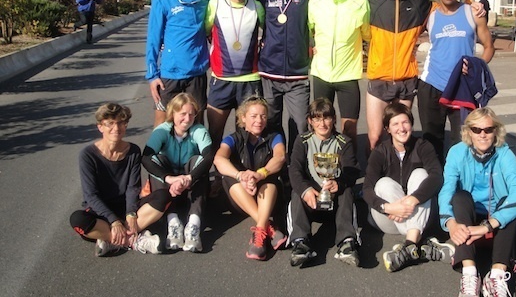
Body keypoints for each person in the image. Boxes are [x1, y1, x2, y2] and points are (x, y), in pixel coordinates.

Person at [439, 107, 516, 297]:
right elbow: (446, 190)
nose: (482, 135)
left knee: (510, 203)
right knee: (459, 197)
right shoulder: (457, 152)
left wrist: (489, 225)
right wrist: (450, 223)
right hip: (466, 222)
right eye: (476, 129)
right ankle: (470, 273)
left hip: (495, 224)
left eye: (488, 129)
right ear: (468, 131)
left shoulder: (505, 153)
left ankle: (496, 278)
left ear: (496, 131)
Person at [362, 102, 454, 272]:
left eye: (405, 122)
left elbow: (436, 176)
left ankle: (410, 246)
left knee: (421, 174)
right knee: (383, 183)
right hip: (389, 218)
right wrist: (388, 207)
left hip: (417, 212)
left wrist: (413, 199)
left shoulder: (423, 146)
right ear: (388, 129)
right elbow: (367, 188)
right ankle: (422, 244)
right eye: (395, 124)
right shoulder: (380, 152)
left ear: (411, 124)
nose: (401, 128)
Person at [70, 103, 170, 256]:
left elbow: (133, 187)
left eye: (121, 123)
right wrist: (113, 221)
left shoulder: (133, 151)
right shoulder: (88, 155)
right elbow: (91, 195)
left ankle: (109, 239)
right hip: (101, 213)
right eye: (110, 123)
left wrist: (130, 213)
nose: (116, 128)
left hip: (126, 208)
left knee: (164, 196)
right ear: (100, 127)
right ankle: (132, 241)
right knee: (77, 219)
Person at [417, 0, 495, 165]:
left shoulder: (473, 13)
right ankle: (434, 184)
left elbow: (489, 47)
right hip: (431, 84)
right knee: (431, 140)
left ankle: (457, 185)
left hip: (462, 88)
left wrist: (477, 67)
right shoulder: (430, 16)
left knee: (461, 142)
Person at [146, 0, 225, 128]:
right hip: (169, 74)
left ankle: (196, 157)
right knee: (163, 127)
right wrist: (152, 76)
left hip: (196, 74)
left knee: (196, 126)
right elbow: (153, 40)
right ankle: (158, 157)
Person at [365, 0, 431, 152]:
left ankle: (399, 174)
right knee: (376, 136)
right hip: (379, 80)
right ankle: (375, 176)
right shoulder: (372, 3)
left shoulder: (420, 2)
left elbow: (447, 9)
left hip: (406, 80)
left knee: (401, 137)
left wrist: (473, 6)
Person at [251, 0, 316, 153]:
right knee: (271, 123)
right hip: (269, 73)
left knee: (300, 125)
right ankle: (276, 167)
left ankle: (294, 166)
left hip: (298, 74)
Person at [307, 0, 370, 152]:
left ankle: (348, 168)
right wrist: (312, 47)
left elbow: (367, 34)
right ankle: (322, 166)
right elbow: (310, 32)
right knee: (321, 125)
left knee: (349, 128)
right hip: (322, 74)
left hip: (348, 75)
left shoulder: (359, 2)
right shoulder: (315, 2)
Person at [287, 98, 360, 267]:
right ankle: (300, 242)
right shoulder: (302, 140)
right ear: (310, 121)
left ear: (334, 119)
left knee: (347, 191)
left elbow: (352, 170)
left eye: (326, 118)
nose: (322, 123)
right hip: (312, 200)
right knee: (297, 192)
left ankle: (347, 242)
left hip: (334, 202)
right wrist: (305, 190)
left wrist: (339, 184)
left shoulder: (344, 142)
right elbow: (294, 170)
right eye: (317, 119)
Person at [213, 96, 288, 260]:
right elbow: (219, 159)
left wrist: (260, 174)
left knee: (270, 178)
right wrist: (240, 176)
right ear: (243, 118)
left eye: (262, 116)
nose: (259, 121)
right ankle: (268, 226)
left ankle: (260, 232)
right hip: (241, 196)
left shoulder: (274, 136)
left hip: (268, 195)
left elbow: (280, 157)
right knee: (227, 176)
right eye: (253, 116)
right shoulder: (233, 138)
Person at [142, 93, 214, 253]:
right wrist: (169, 178)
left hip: (191, 185)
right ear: (172, 113)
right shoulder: (162, 130)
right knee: (157, 158)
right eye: (182, 114)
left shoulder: (198, 130)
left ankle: (193, 226)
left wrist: (190, 177)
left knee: (198, 160)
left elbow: (209, 156)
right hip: (168, 186)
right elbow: (145, 158)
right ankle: (173, 222)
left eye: (191, 114)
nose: (187, 119)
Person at [204, 0, 265, 148]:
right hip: (221, 80)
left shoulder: (257, 7)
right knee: (214, 134)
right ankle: (215, 176)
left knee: (248, 136)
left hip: (250, 80)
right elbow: (207, 32)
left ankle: (242, 175)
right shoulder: (215, 4)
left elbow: (269, 34)